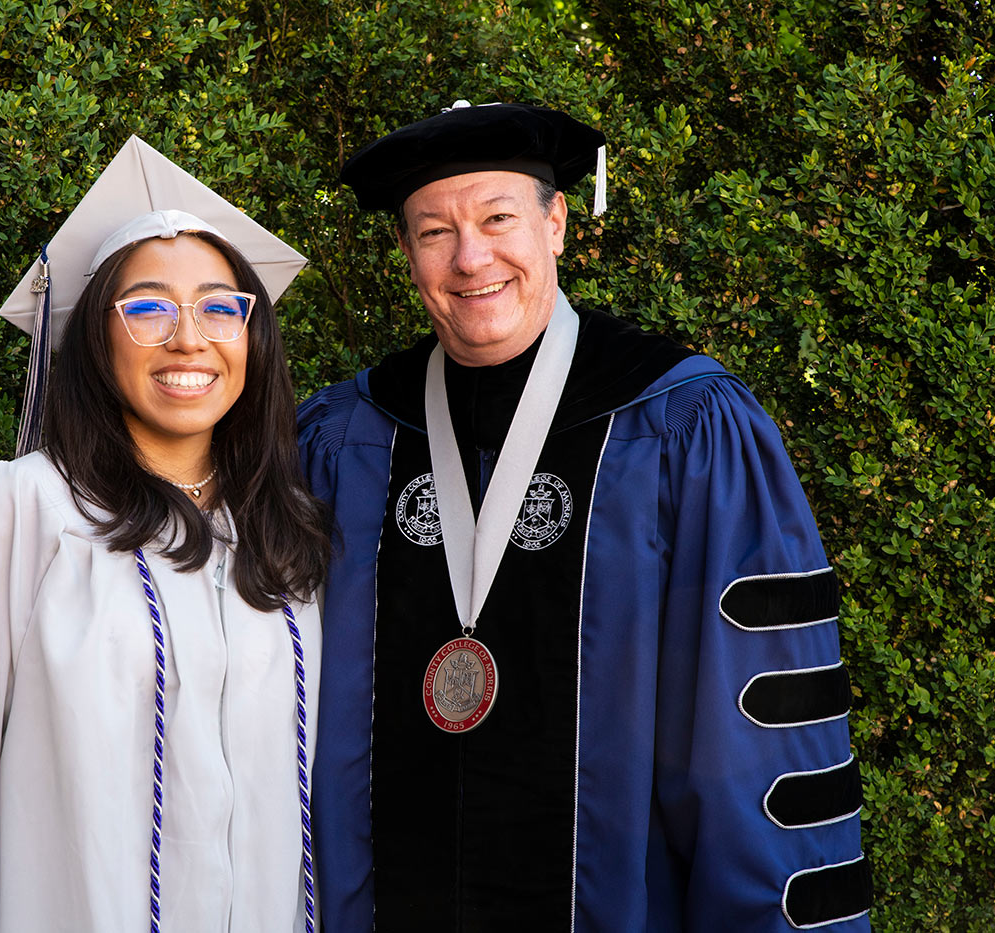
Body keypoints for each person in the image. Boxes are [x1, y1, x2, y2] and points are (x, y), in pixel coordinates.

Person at [298, 102, 872, 931]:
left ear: (556, 222)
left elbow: (755, 744)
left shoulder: (683, 424)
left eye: (498, 218)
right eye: (433, 232)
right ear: (406, 252)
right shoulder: (348, 435)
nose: (471, 258)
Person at [0, 137, 330, 932]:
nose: (188, 336)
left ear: (253, 335)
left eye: (219, 305)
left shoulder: (280, 536)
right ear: (95, 339)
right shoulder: (20, 511)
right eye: (147, 308)